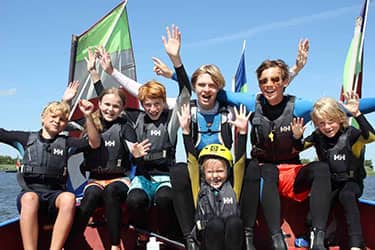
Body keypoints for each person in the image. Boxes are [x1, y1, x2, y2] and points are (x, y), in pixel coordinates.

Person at [91, 26, 191, 241]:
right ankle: (143, 235)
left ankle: (167, 236)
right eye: (148, 104)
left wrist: (176, 60)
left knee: (165, 199)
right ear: (143, 104)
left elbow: (185, 92)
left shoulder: (171, 121)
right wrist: (103, 74)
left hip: (165, 177)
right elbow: (110, 104)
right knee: (135, 200)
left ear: (164, 103)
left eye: (157, 104)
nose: (153, 109)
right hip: (142, 177)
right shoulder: (135, 120)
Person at [69, 52, 151, 250]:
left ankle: (115, 246)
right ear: (100, 104)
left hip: (118, 180)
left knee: (112, 192)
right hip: (95, 179)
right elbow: (101, 93)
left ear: (122, 108)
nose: (110, 109)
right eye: (107, 105)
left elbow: (133, 148)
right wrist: (92, 72)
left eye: (116, 106)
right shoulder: (90, 120)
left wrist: (138, 153)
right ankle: (72, 243)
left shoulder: (125, 125)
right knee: (90, 198)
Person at [0, 97, 100, 250]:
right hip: (30, 193)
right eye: (53, 117)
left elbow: (94, 143)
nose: (56, 121)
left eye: (61, 120)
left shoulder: (67, 143)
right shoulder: (24, 139)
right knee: (30, 198)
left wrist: (87, 116)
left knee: (69, 198)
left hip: (55, 196)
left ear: (64, 125)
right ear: (43, 117)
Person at [292, 91, 375, 250]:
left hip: (351, 182)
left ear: (340, 118)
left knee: (347, 195)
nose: (327, 127)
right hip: (330, 183)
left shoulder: (351, 134)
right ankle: (311, 234)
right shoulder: (318, 136)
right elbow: (298, 148)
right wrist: (296, 137)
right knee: (317, 204)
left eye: (331, 121)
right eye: (322, 123)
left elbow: (371, 137)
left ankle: (357, 244)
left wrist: (357, 113)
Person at [178, 103, 250, 250]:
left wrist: (243, 133)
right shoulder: (198, 187)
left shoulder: (233, 187)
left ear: (227, 171)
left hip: (231, 237)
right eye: (210, 172)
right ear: (203, 173)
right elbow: (191, 160)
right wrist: (185, 131)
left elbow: (240, 162)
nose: (215, 176)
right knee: (216, 223)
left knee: (235, 222)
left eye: (219, 171)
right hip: (208, 237)